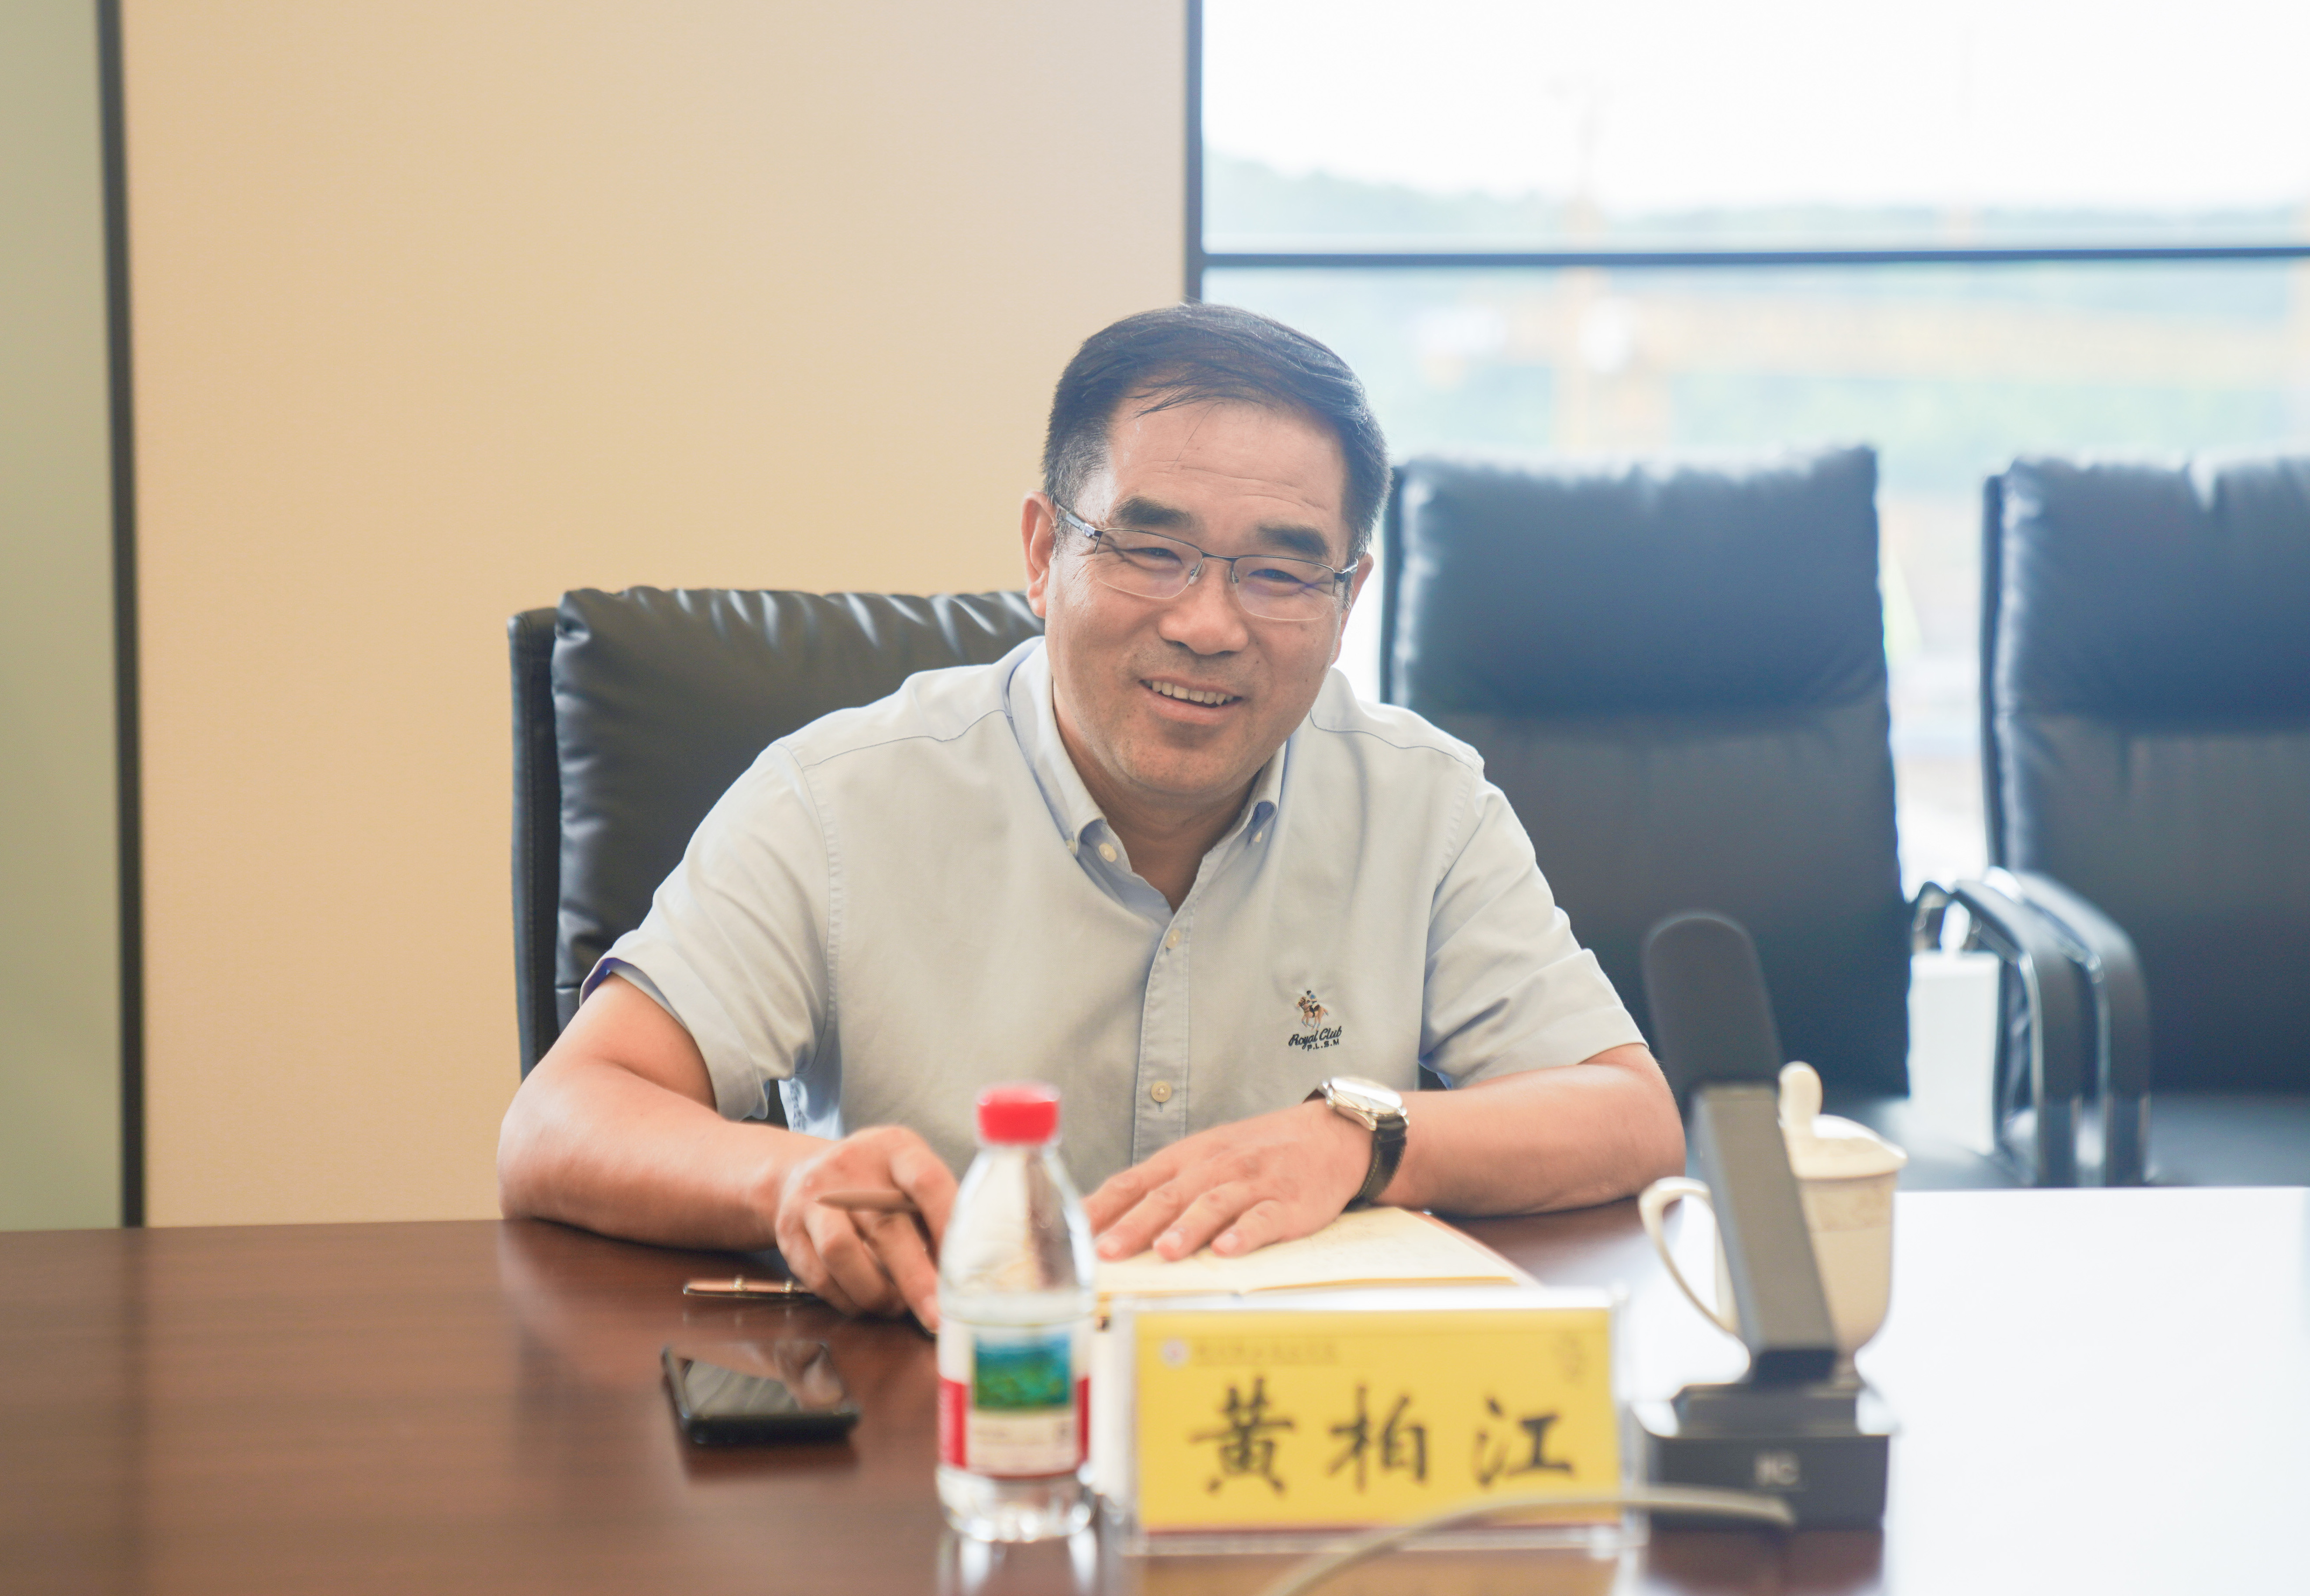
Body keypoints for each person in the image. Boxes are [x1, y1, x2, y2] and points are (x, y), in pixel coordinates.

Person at [498, 304, 1683, 1328]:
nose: (1207, 624)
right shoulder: (839, 798)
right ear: (1042, 550)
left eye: (1279, 572)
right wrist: (785, 1184)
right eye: (1152, 549)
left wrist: (1355, 1139)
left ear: (1346, 599)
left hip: (1279, 1427)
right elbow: (559, 1119)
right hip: (941, 1413)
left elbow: (1629, 1119)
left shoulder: (1423, 801)